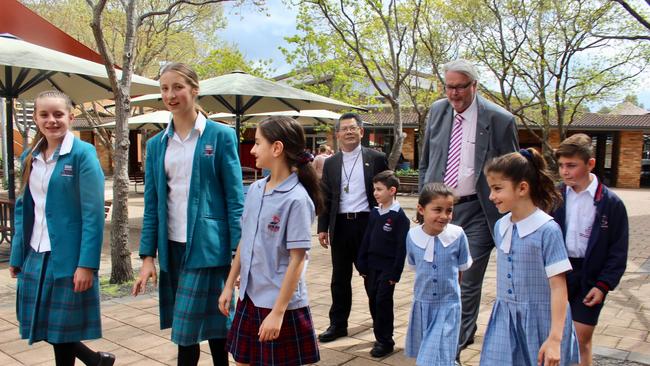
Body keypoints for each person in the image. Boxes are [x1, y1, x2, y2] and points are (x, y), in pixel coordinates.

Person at [132, 62, 244, 366]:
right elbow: (153, 204)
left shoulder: (220, 136)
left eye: (178, 87)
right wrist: (147, 257)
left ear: (194, 90)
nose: (170, 94)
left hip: (210, 248)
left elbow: (235, 198)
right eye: (165, 88)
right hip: (173, 249)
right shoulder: (156, 145)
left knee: (212, 331)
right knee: (190, 332)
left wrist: (239, 250)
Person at [418, 59, 519, 357]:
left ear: (475, 85)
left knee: (467, 280)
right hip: (441, 210)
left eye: (460, 87)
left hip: (478, 212)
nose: (454, 94)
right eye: (449, 87)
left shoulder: (500, 120)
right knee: (440, 277)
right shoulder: (437, 111)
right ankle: (455, 331)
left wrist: (513, 213)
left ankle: (452, 349)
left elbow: (513, 170)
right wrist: (425, 204)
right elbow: (425, 160)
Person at [9, 90, 114, 365]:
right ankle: (95, 360)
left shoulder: (83, 154)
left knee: (62, 330)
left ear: (71, 116)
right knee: (35, 319)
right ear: (35, 118)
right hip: (34, 252)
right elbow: (23, 208)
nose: (52, 120)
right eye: (44, 114)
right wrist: (17, 254)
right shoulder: (30, 156)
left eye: (58, 114)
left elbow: (93, 214)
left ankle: (93, 360)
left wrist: (87, 264)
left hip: (68, 257)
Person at [219, 116, 321, 366]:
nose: (252, 150)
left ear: (276, 148)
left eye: (256, 143)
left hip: (279, 301)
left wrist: (278, 312)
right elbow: (246, 239)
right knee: (242, 361)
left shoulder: (296, 199)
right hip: (250, 297)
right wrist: (229, 285)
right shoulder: (255, 189)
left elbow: (298, 259)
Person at [480, 149, 580, 366]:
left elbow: (558, 287)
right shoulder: (500, 227)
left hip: (541, 322)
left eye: (497, 189)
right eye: (491, 189)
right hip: (505, 320)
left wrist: (555, 338)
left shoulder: (547, 230)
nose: (491, 196)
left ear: (522, 188)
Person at [552, 134, 628, 366]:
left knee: (580, 338)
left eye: (572, 166)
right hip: (559, 273)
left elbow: (618, 250)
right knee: (554, 336)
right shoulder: (554, 196)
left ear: (590, 164)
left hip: (590, 276)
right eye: (562, 166)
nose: (565, 172)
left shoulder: (610, 203)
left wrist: (603, 285)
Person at [317, 113, 389, 342]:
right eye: (344, 129)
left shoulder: (376, 158)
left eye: (353, 128)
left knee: (372, 278)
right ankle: (338, 325)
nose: (349, 132)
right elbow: (326, 197)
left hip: (367, 225)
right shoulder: (331, 162)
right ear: (337, 135)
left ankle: (381, 330)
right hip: (340, 226)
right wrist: (322, 227)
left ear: (361, 132)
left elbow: (388, 190)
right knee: (339, 279)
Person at [405, 183, 472, 366]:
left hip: (448, 305)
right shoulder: (412, 237)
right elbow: (415, 266)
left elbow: (460, 269)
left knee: (433, 356)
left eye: (449, 210)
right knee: (435, 354)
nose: (444, 216)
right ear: (421, 209)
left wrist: (452, 296)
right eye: (437, 210)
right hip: (423, 304)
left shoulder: (457, 235)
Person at [356, 170, 410, 357]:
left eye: (379, 189)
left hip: (388, 269)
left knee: (383, 302)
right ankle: (379, 334)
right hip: (371, 267)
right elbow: (366, 239)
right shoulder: (375, 213)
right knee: (373, 301)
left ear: (392, 190)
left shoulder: (400, 217)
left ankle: (386, 341)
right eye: (374, 189)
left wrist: (396, 273)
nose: (375, 193)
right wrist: (361, 264)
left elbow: (401, 248)